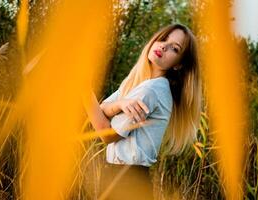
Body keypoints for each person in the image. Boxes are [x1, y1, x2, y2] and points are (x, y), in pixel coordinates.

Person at [84, 23, 201, 200]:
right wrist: (120, 104)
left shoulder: (152, 90)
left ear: (178, 65)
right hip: (120, 177)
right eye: (163, 39)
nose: (164, 46)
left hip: (128, 180)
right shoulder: (137, 83)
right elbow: (102, 109)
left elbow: (106, 134)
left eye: (174, 49)